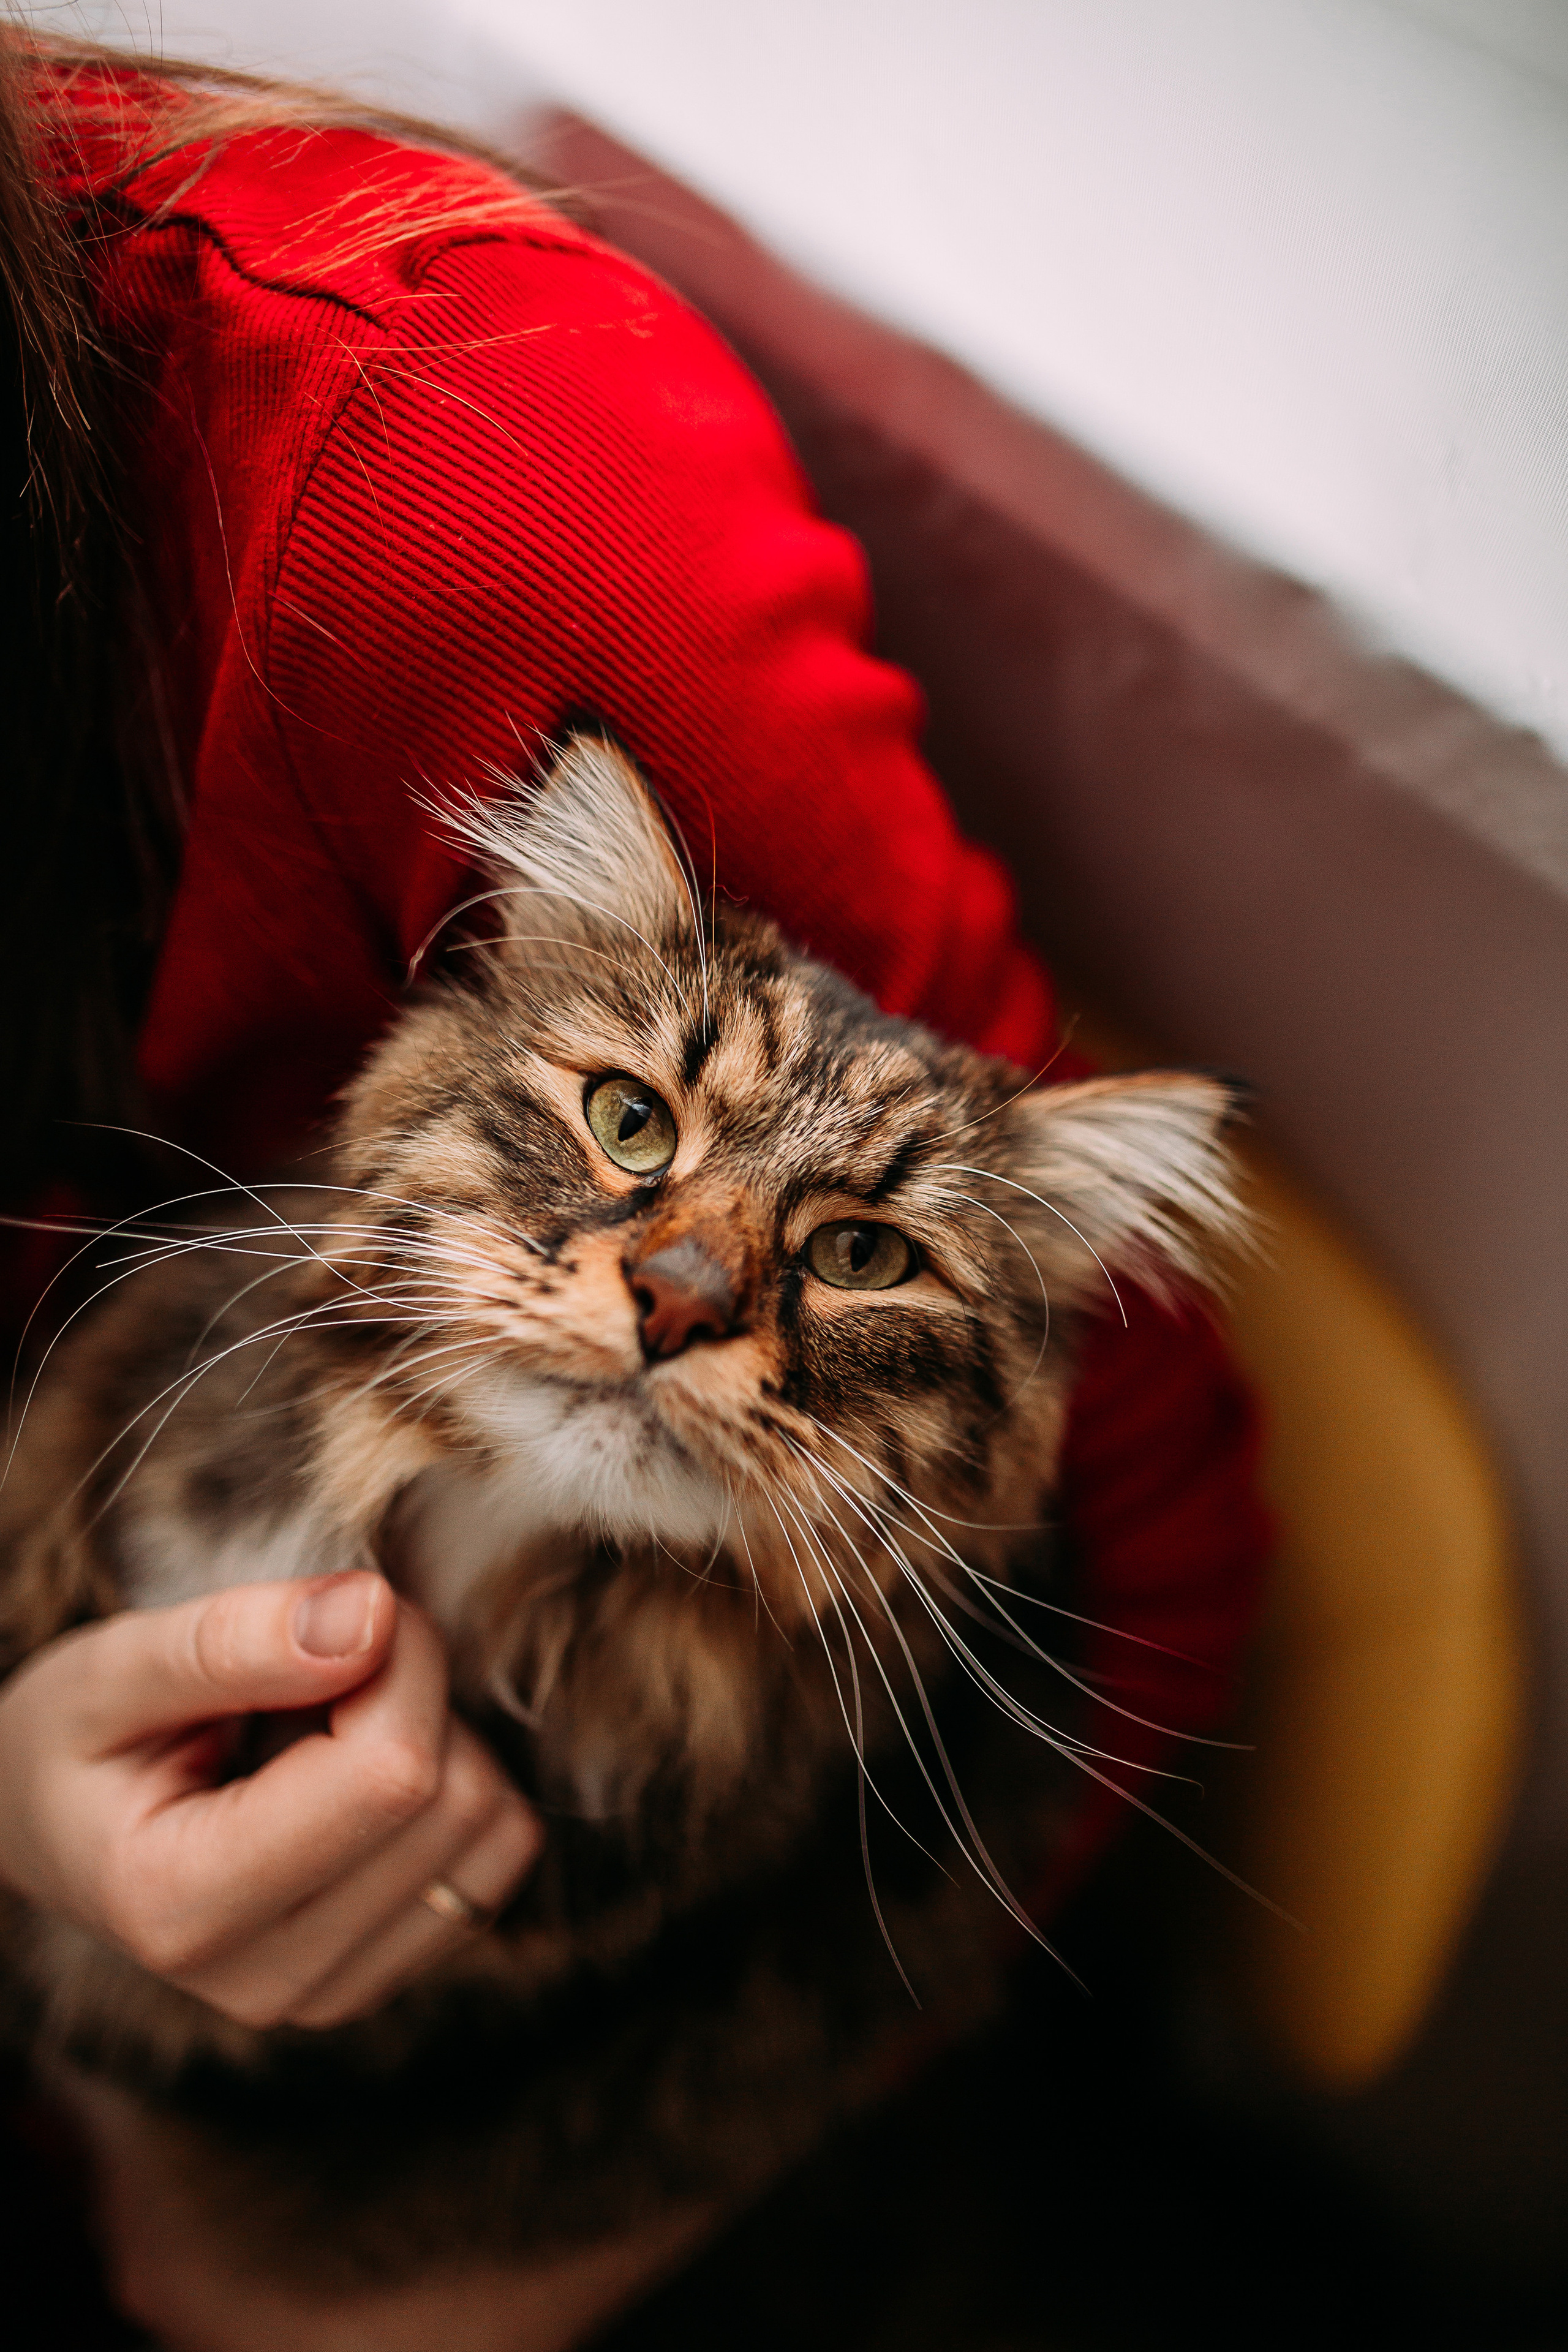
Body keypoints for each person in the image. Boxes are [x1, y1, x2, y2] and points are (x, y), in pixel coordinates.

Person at [0, 32, 1268, 2346]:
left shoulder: (451, 478)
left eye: (844, 1250)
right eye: (635, 1139)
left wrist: (327, 2292)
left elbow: (1149, 1516)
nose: (684, 1285)